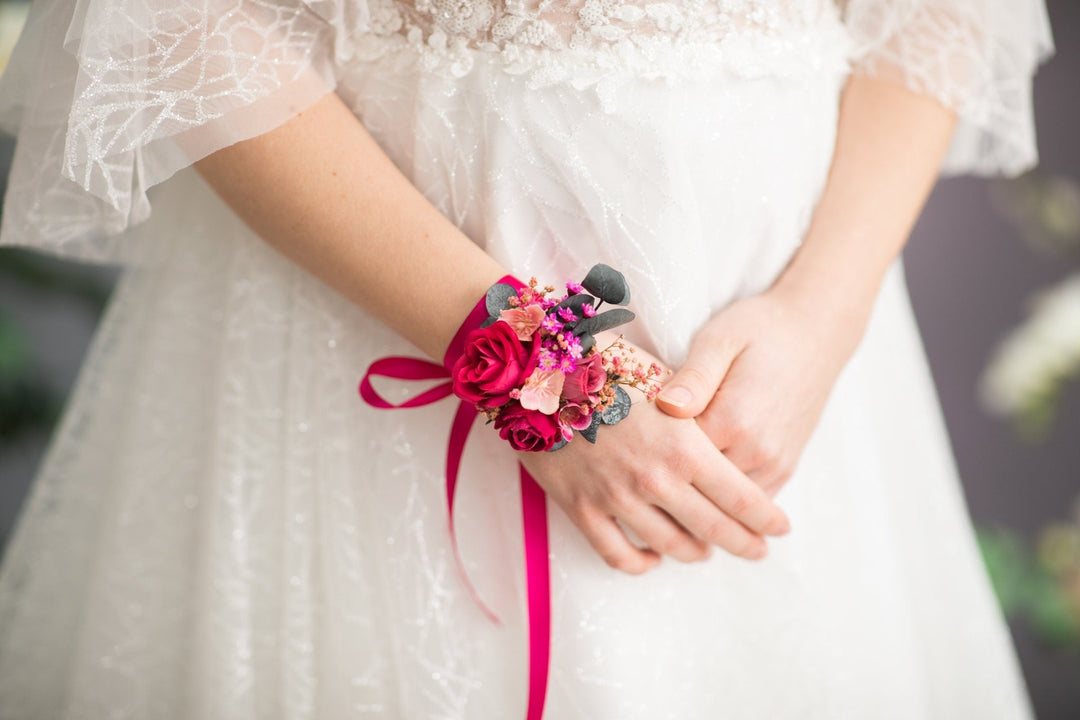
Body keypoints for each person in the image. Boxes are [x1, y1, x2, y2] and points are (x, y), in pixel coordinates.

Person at [0, 0, 1056, 717]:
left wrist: (827, 312)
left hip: (790, 380)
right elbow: (178, 19)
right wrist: (525, 360)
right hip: (374, 340)